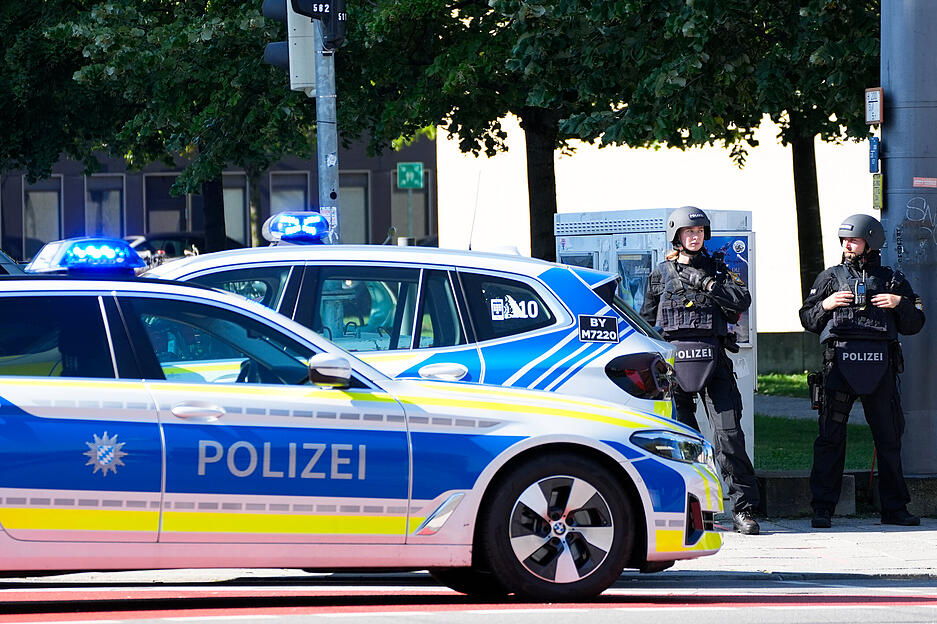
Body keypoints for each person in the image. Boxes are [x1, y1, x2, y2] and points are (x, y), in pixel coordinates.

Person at [641, 206, 761, 535]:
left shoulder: (718, 268)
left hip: (714, 361)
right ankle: (690, 510)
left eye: (699, 232)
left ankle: (743, 509)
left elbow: (742, 300)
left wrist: (708, 282)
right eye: (688, 233)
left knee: (729, 438)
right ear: (677, 237)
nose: (694, 237)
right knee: (681, 441)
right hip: (673, 368)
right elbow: (647, 322)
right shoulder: (661, 274)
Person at [800, 214, 925, 528]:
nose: (847, 245)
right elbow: (807, 319)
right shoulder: (830, 277)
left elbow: (915, 324)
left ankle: (895, 509)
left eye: (853, 240)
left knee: (889, 437)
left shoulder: (892, 279)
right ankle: (823, 509)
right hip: (839, 366)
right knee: (830, 438)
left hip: (880, 367)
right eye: (844, 240)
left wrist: (899, 303)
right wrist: (826, 305)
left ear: (871, 242)